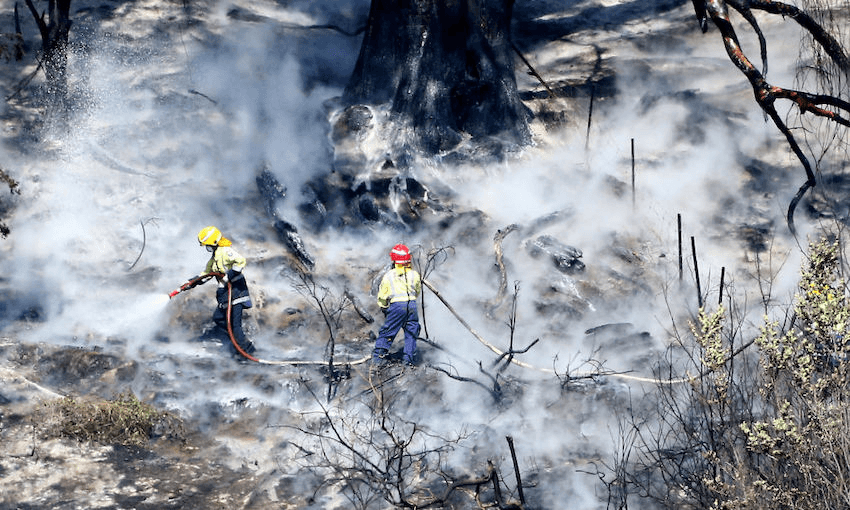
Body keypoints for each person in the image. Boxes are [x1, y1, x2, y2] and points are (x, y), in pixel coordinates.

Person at [197, 226, 256, 357]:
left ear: (214, 243)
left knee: (235, 326)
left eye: (207, 245)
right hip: (226, 295)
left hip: (236, 291)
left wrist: (229, 276)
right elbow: (206, 273)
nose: (207, 248)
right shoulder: (214, 257)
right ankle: (235, 342)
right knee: (218, 318)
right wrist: (193, 282)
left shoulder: (225, 251)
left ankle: (248, 351)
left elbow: (241, 261)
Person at [373, 243, 421, 366]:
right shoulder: (414, 274)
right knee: (411, 332)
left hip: (397, 307)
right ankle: (408, 361)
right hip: (412, 306)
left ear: (394, 260)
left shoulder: (389, 275)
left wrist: (384, 307)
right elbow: (417, 291)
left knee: (388, 331)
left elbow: (382, 296)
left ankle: (377, 359)